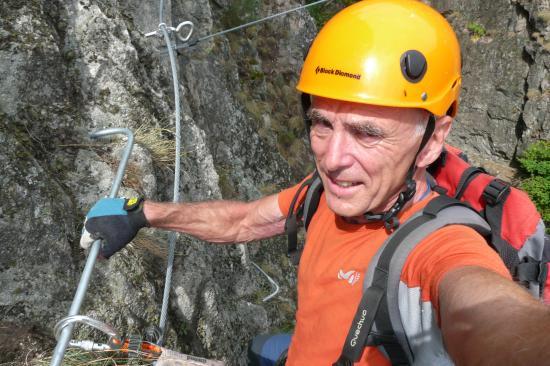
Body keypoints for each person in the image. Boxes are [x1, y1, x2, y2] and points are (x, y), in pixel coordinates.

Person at [81, 1, 550, 365]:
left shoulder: (440, 246)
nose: (332, 157)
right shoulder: (325, 193)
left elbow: (491, 316)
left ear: (432, 142)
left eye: (368, 133)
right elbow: (245, 221)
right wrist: (146, 213)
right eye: (322, 123)